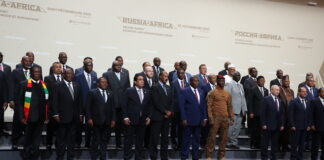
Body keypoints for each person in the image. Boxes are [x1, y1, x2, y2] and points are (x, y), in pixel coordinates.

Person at [17, 66, 48, 159]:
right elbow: (19, 102)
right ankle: (26, 157)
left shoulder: (44, 85)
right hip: (28, 118)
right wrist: (21, 117)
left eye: (39, 72)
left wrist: (46, 117)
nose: (37, 73)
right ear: (31, 73)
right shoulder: (24, 84)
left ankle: (35, 156)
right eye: (35, 72)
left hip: (40, 118)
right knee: (27, 140)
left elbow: (47, 102)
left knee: (37, 140)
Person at [52, 68, 82, 160]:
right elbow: (54, 101)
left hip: (74, 117)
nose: (69, 75)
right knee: (61, 140)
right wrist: (55, 114)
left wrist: (80, 114)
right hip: (62, 117)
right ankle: (60, 157)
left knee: (72, 140)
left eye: (71, 74)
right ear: (63, 74)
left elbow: (79, 101)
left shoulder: (77, 85)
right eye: (67, 73)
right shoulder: (57, 85)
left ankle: (70, 157)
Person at [122, 74, 152, 160]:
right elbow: (124, 105)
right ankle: (127, 157)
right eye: (140, 79)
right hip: (131, 120)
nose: (142, 81)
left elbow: (150, 105)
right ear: (135, 82)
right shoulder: (129, 91)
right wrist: (125, 117)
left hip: (142, 120)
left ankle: (138, 157)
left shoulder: (147, 91)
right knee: (128, 141)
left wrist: (149, 117)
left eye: (143, 79)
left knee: (140, 141)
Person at [85, 77, 116, 160]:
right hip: (96, 121)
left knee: (104, 141)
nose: (105, 83)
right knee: (95, 141)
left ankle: (103, 157)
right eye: (102, 82)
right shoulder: (92, 92)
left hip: (107, 121)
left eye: (106, 82)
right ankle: (94, 157)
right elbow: (87, 107)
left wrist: (113, 119)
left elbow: (113, 108)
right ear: (98, 83)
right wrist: (89, 118)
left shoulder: (110, 93)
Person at [102, 61, 130, 149]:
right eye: (116, 65)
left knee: (121, 126)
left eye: (120, 65)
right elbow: (105, 87)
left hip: (122, 104)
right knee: (109, 124)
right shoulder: (107, 74)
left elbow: (128, 88)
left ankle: (119, 143)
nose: (118, 66)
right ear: (112, 66)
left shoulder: (125, 74)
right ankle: (104, 143)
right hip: (111, 103)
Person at [206, 75, 233, 160]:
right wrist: (210, 117)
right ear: (217, 81)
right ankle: (209, 155)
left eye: (223, 81)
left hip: (225, 118)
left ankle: (221, 156)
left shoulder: (227, 93)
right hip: (215, 118)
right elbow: (209, 106)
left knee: (224, 138)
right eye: (220, 81)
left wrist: (231, 117)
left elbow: (230, 106)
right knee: (212, 137)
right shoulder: (212, 92)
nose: (222, 82)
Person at [179, 76, 207, 160]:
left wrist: (205, 117)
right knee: (186, 140)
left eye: (198, 81)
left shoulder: (201, 91)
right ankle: (184, 157)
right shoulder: (184, 91)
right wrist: (183, 118)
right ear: (190, 82)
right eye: (195, 81)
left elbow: (203, 106)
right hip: (188, 120)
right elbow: (181, 106)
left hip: (199, 120)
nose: (197, 82)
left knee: (196, 140)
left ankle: (195, 157)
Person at [149, 71, 174, 160]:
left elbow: (172, 101)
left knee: (165, 139)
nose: (166, 78)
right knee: (154, 139)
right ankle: (153, 157)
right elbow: (156, 102)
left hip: (167, 118)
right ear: (160, 77)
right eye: (165, 76)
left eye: (167, 76)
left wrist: (170, 111)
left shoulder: (169, 87)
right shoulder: (154, 87)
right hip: (157, 116)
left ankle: (164, 157)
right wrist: (164, 111)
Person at [74, 62, 98, 148]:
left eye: (91, 65)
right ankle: (78, 142)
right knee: (79, 125)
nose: (90, 67)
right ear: (84, 67)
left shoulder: (94, 76)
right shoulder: (78, 76)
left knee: (90, 126)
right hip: (80, 104)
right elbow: (76, 92)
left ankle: (88, 143)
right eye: (88, 65)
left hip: (91, 106)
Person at [10, 56, 32, 149]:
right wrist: (11, 100)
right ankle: (14, 142)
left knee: (29, 124)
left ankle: (27, 143)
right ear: (21, 62)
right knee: (17, 122)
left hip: (30, 102)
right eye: (26, 61)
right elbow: (11, 86)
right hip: (19, 101)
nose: (28, 62)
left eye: (29, 61)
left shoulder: (34, 72)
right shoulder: (16, 72)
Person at [261, 85, 284, 160]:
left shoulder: (280, 100)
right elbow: (263, 112)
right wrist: (263, 123)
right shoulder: (266, 99)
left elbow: (281, 114)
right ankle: (264, 158)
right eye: (276, 90)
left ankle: (273, 157)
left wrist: (281, 124)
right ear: (271, 90)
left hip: (277, 126)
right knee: (265, 144)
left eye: (278, 90)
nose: (278, 91)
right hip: (267, 125)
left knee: (275, 144)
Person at [225, 71, 247, 149]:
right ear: (233, 76)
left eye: (239, 75)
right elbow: (227, 98)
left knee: (237, 128)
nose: (238, 76)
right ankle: (227, 142)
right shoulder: (229, 84)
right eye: (237, 75)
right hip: (233, 110)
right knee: (231, 127)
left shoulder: (241, 85)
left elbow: (243, 98)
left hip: (240, 110)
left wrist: (245, 109)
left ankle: (234, 143)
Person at [288, 87, 311, 160]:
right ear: (299, 92)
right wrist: (292, 125)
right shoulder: (294, 101)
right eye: (303, 91)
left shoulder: (307, 101)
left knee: (302, 144)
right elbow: (290, 114)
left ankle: (300, 157)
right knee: (294, 144)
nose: (305, 93)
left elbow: (308, 114)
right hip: (296, 127)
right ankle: (293, 158)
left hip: (304, 127)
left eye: (306, 92)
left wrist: (308, 125)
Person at [44, 62, 63, 149]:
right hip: (51, 106)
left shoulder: (64, 78)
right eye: (56, 67)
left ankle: (58, 143)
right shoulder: (48, 78)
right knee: (50, 127)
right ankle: (49, 143)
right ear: (53, 69)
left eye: (60, 67)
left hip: (62, 107)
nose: (59, 68)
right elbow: (46, 93)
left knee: (60, 128)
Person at [247, 76, 268, 149]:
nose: (262, 82)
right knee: (254, 130)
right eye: (261, 80)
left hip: (263, 114)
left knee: (261, 130)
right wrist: (251, 112)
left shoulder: (266, 90)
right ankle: (253, 144)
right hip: (255, 113)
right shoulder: (253, 89)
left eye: (263, 80)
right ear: (257, 82)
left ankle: (259, 144)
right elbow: (250, 102)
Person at [171, 69, 189, 150]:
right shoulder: (173, 83)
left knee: (183, 128)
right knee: (174, 127)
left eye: (183, 73)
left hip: (185, 110)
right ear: (177, 74)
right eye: (180, 73)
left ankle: (181, 144)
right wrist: (172, 110)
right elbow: (171, 98)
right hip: (176, 110)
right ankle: (174, 142)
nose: (182, 74)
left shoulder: (187, 84)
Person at [278, 75, 295, 152]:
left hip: (289, 114)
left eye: (288, 81)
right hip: (281, 114)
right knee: (280, 131)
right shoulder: (279, 89)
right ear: (282, 81)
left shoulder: (291, 91)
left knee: (288, 132)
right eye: (285, 81)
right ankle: (278, 146)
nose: (287, 82)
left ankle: (285, 146)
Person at [200, 74, 216, 148]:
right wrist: (204, 115)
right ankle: (203, 144)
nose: (215, 79)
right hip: (207, 111)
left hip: (215, 112)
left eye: (215, 78)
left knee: (213, 130)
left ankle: (210, 143)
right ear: (209, 79)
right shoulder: (204, 87)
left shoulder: (217, 87)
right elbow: (202, 101)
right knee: (206, 130)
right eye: (213, 78)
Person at [310, 88, 324, 160]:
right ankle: (313, 158)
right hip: (316, 127)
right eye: (323, 92)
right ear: (319, 93)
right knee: (315, 145)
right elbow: (310, 114)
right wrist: (312, 124)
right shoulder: (314, 101)